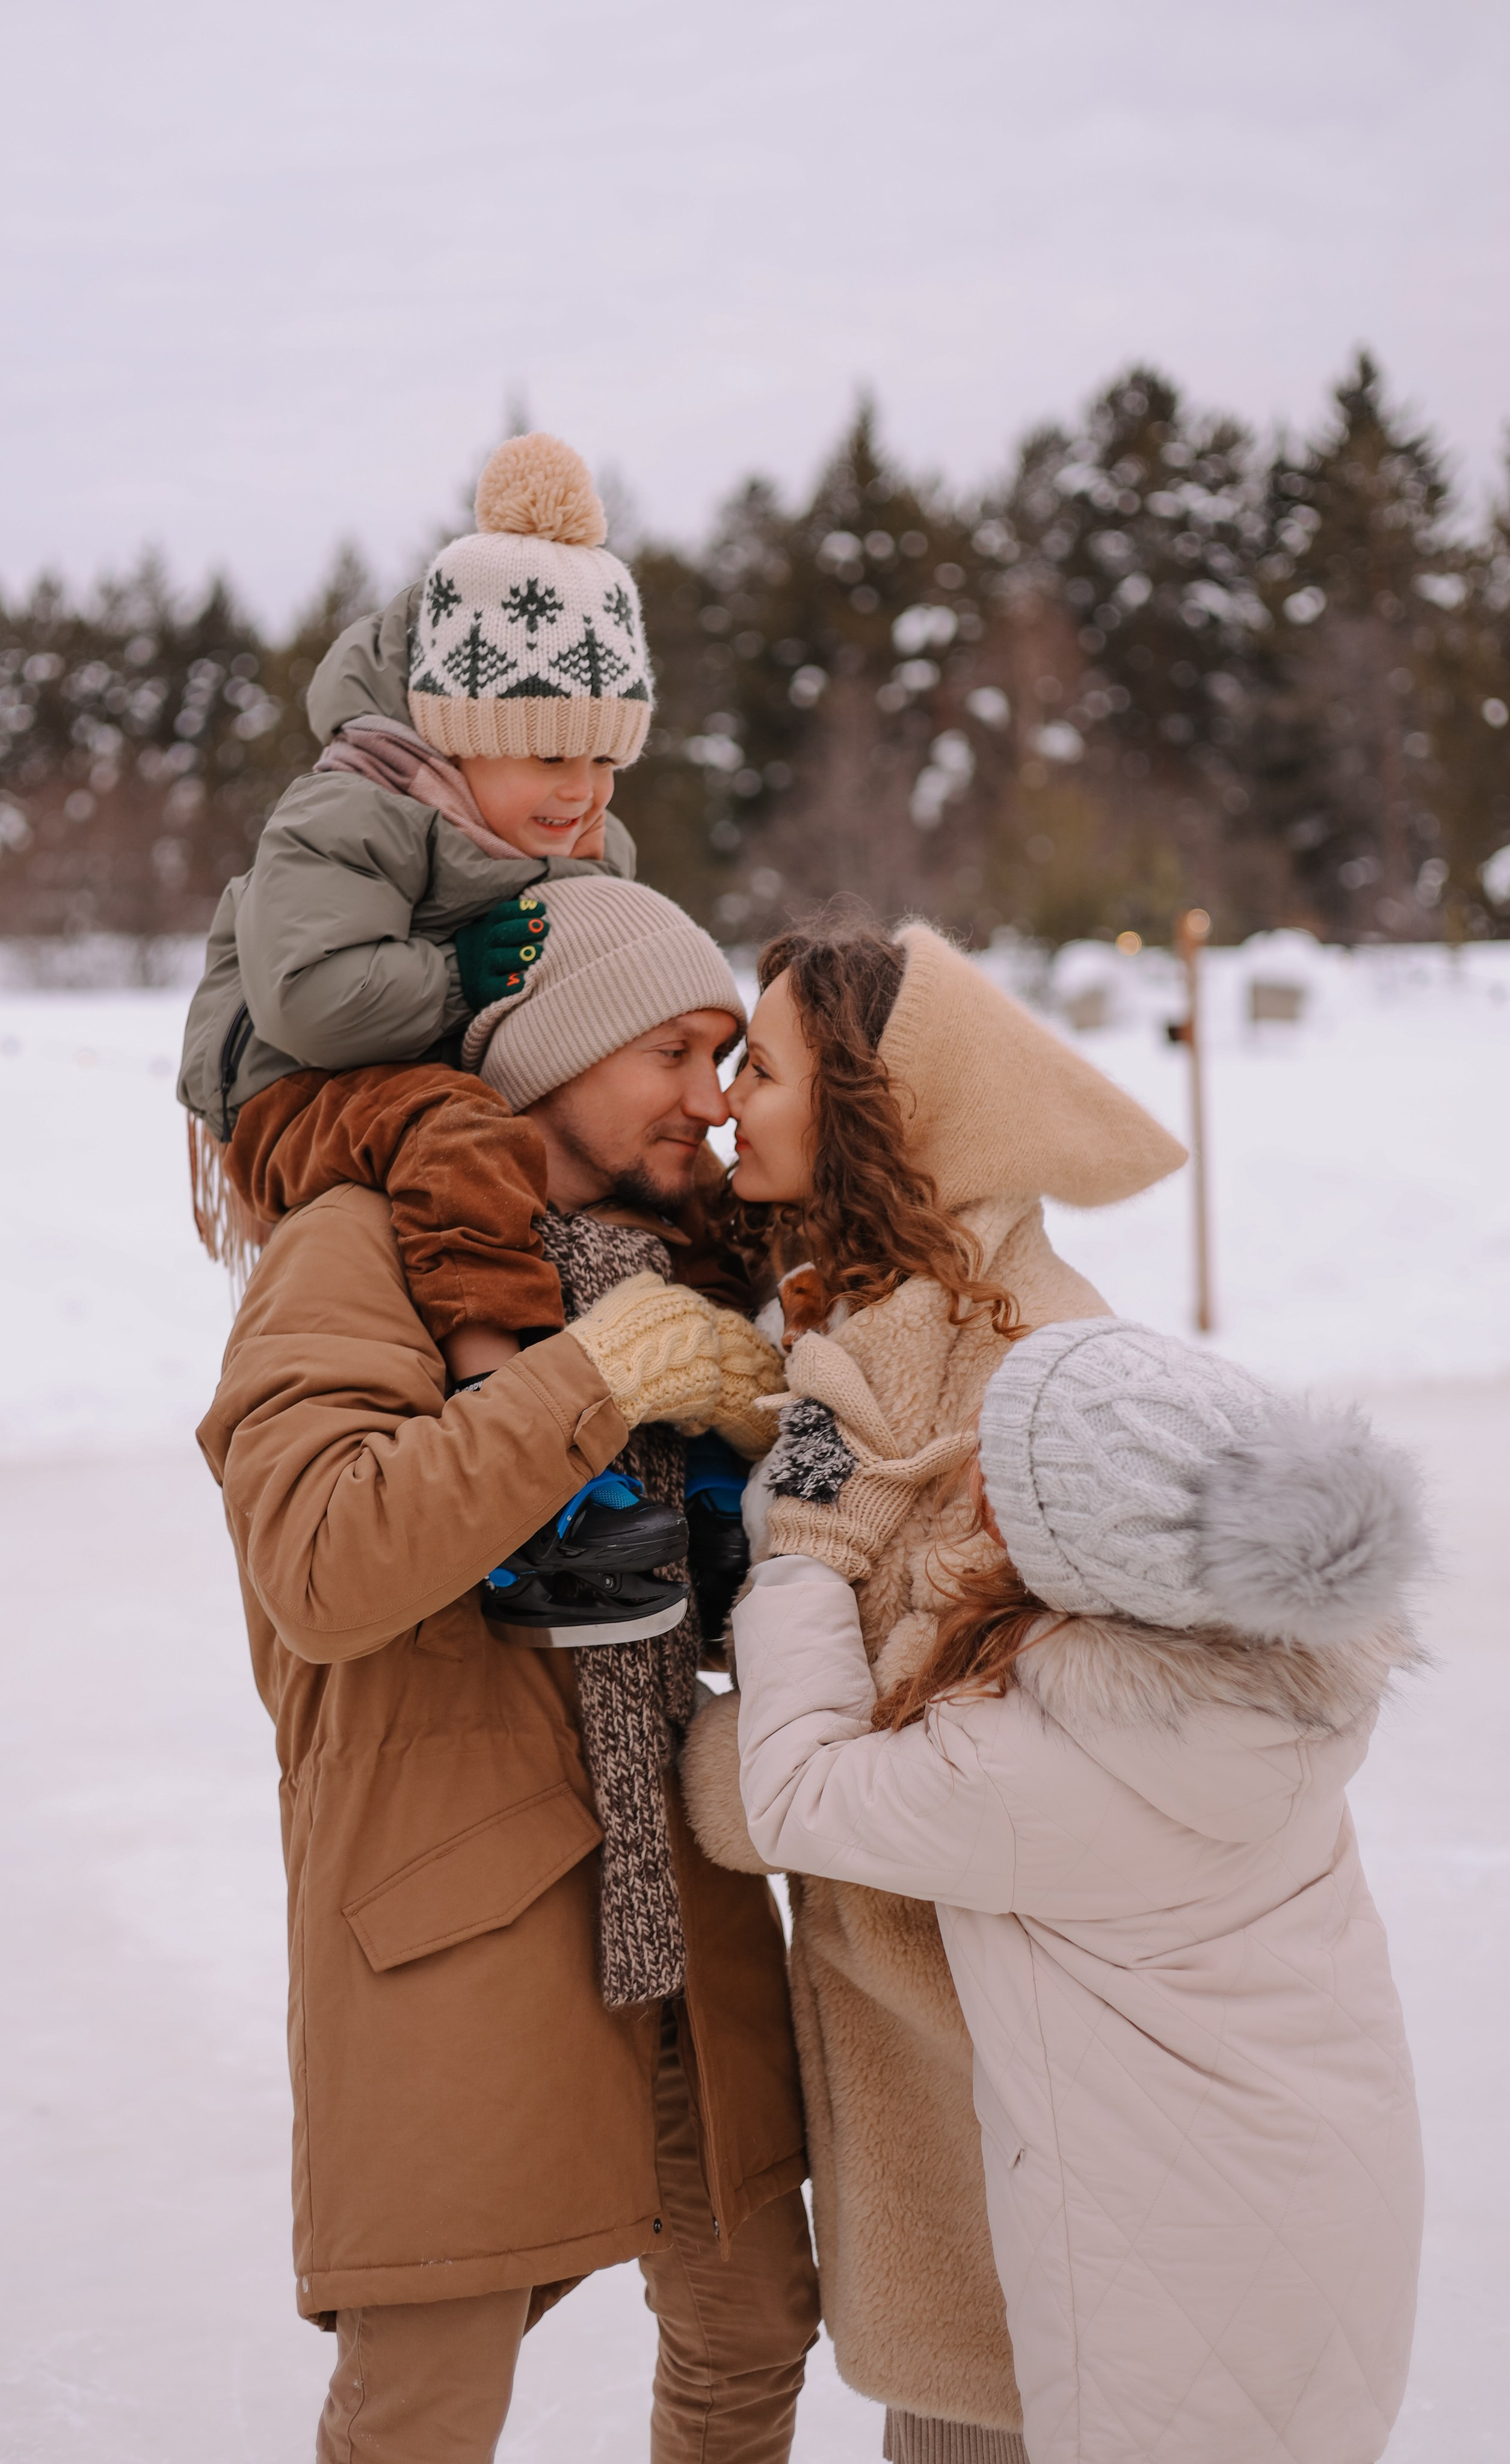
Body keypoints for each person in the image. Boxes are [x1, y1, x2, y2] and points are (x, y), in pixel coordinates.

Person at [197, 881, 819, 2463]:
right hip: (459, 1900)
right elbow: (324, 1563)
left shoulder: (679, 1266)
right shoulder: (358, 1249)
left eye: (729, 1052)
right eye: (671, 1051)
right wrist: (597, 1380)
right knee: (428, 2405)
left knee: (752, 2333)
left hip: (679, 1893)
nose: (708, 1095)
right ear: (552, 1055)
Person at [729, 1317, 1427, 2464]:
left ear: (1065, 1542)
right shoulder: (1274, 1680)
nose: (972, 1474)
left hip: (1172, 2274)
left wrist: (803, 1556)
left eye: (997, 1468)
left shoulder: (1031, 1772)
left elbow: (797, 1794)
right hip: (1329, 2193)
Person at [680, 914, 1186, 2463]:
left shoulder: (1009, 1372)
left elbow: (875, 1773)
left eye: (755, 1068)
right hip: (947, 2068)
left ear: (870, 1110)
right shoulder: (893, 1320)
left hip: (1009, 2085)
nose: (720, 1102)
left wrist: (695, 1750)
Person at [179, 430, 650, 1381]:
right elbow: (306, 997)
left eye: (607, 760)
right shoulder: (353, 807)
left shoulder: (574, 835)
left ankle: (722, 1402)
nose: (586, 791)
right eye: (554, 756)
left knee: (649, 1147)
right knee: (459, 1132)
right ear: (459, 737)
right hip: (289, 1086)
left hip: (431, 1073)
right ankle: (499, 1395)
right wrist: (456, 977)